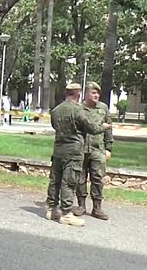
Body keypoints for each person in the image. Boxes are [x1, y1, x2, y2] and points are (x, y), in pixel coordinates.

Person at [45, 83, 110, 226]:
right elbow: (91, 128)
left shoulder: (55, 110)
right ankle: (66, 213)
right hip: (73, 151)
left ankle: (51, 209)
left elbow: (55, 126)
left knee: (55, 180)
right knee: (69, 181)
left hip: (58, 150)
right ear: (77, 94)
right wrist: (103, 127)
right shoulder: (77, 110)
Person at [73, 81, 113, 220]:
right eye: (93, 93)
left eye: (98, 93)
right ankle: (81, 205)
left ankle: (97, 208)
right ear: (86, 94)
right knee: (80, 178)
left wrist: (108, 148)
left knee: (97, 178)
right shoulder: (78, 108)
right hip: (81, 148)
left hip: (98, 149)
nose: (96, 96)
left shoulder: (103, 108)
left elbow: (109, 128)